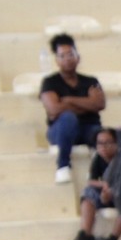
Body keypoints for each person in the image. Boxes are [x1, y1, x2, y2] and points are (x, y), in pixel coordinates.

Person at [67, 127, 121, 240]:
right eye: (100, 143)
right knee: (88, 192)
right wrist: (104, 185)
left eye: (108, 142)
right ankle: (85, 234)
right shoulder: (98, 159)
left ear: (116, 144)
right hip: (108, 195)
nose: (103, 147)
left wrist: (113, 191)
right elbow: (91, 181)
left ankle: (112, 239)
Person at [41, 33, 104, 185]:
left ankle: (99, 171)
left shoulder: (90, 81)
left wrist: (69, 100)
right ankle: (63, 166)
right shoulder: (50, 82)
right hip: (60, 131)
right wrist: (86, 105)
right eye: (62, 56)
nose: (67, 59)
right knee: (68, 118)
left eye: (70, 54)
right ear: (56, 60)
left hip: (88, 128)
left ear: (78, 56)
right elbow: (54, 109)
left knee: (102, 134)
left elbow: (99, 104)